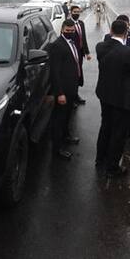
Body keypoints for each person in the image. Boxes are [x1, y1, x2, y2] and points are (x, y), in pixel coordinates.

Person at [95, 20, 130, 175]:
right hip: (122, 100)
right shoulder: (128, 52)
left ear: (111, 30)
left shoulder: (100, 47)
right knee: (119, 133)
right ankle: (112, 167)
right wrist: (128, 86)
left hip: (104, 95)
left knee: (105, 128)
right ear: (126, 32)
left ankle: (100, 160)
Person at [47, 19, 83, 160]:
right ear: (62, 30)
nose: (70, 33)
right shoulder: (57, 46)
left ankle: (66, 136)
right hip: (63, 90)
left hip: (71, 87)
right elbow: (55, 72)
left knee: (67, 115)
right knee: (59, 119)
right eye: (68, 31)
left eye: (72, 31)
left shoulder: (72, 43)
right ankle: (57, 149)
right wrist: (60, 93)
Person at [70, 5, 91, 105]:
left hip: (80, 53)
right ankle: (72, 97)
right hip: (72, 54)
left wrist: (87, 52)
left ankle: (76, 95)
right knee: (72, 76)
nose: (77, 14)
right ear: (71, 12)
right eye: (75, 12)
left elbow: (84, 38)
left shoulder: (81, 23)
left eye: (78, 12)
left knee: (78, 74)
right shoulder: (68, 24)